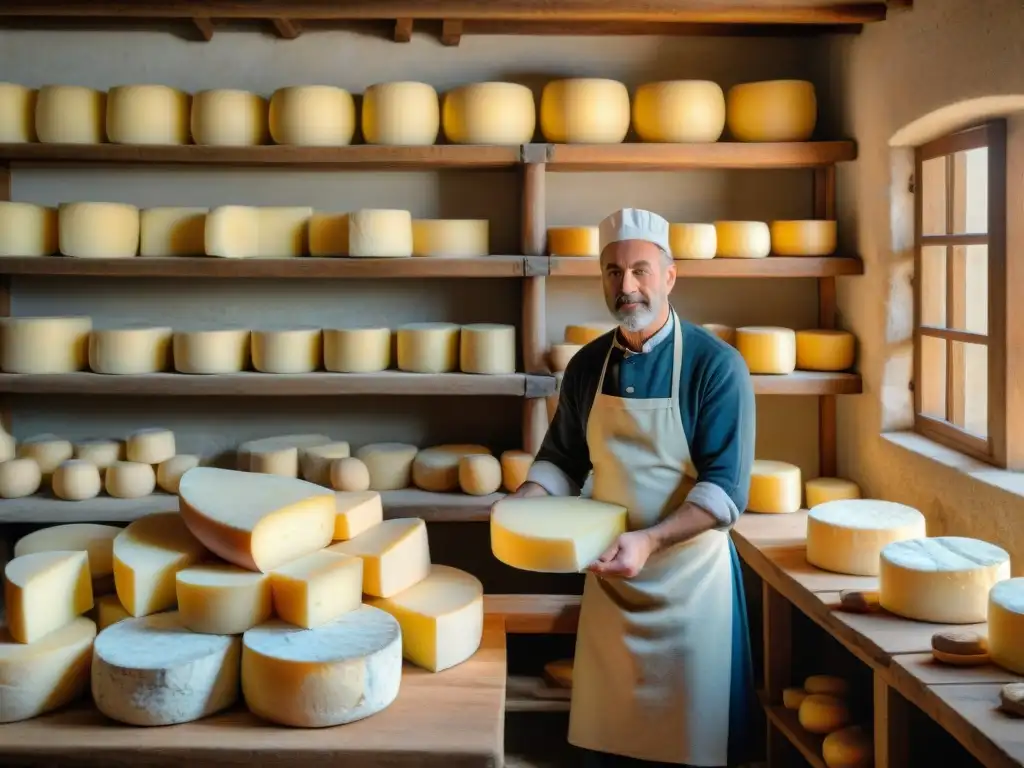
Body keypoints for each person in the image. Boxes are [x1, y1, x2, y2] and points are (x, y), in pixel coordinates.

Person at [508, 208, 757, 767]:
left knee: (692, 745)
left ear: (669, 277)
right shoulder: (587, 366)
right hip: (613, 583)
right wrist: (526, 502)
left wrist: (650, 541)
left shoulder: (716, 367)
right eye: (613, 272)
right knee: (609, 744)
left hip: (691, 589)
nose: (627, 286)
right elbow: (562, 459)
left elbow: (725, 490)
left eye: (641, 270)